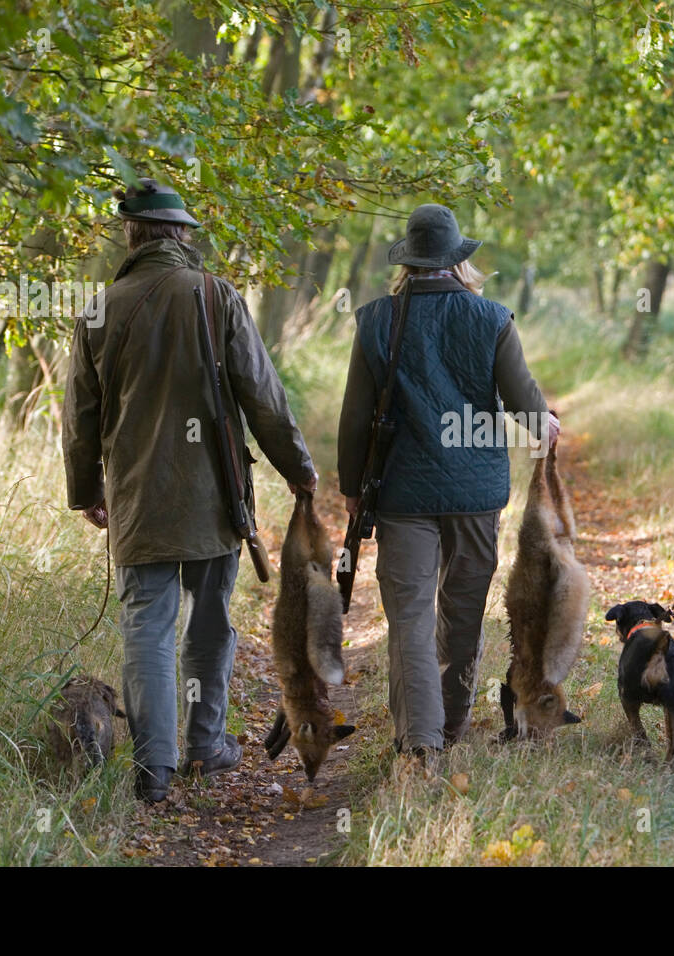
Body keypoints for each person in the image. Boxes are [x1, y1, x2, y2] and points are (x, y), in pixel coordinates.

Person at [63, 178, 317, 803]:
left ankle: (155, 767)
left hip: (135, 497)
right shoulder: (214, 296)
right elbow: (264, 397)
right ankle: (206, 743)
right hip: (214, 493)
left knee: (147, 625)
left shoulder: (97, 308)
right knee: (208, 623)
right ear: (180, 234)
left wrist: (85, 490)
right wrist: (299, 469)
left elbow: (80, 417)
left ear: (131, 234)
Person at [338, 203, 559, 756]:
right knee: (462, 612)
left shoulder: (376, 321)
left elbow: (355, 416)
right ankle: (452, 723)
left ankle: (421, 741)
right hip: (474, 494)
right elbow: (526, 408)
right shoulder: (493, 319)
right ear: (457, 261)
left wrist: (348, 486)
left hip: (401, 493)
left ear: (409, 262)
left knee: (410, 616)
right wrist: (546, 421)